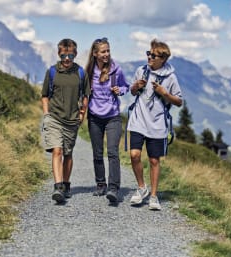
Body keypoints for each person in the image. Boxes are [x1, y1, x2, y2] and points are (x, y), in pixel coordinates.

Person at [127, 39, 183, 210]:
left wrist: (164, 93)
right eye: (148, 53)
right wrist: (136, 86)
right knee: (134, 155)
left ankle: (153, 196)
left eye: (153, 55)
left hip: (157, 124)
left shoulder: (170, 77)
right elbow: (132, 91)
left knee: (154, 160)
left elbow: (179, 101)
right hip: (138, 120)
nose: (149, 57)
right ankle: (142, 188)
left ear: (163, 59)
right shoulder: (140, 71)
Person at [41, 38, 90, 203]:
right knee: (57, 151)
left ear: (75, 54)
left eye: (70, 55)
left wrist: (82, 114)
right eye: (63, 56)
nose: (67, 59)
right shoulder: (52, 72)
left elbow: (86, 96)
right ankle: (58, 186)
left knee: (68, 153)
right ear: (59, 54)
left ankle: (66, 184)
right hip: (54, 118)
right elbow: (45, 96)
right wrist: (47, 115)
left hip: (72, 120)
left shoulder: (81, 73)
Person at [85, 37, 129, 203]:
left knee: (112, 151)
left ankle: (113, 188)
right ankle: (101, 184)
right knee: (97, 153)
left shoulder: (115, 70)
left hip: (113, 117)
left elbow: (126, 86)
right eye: (103, 51)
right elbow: (84, 92)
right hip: (94, 117)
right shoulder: (89, 71)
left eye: (108, 51)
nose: (106, 54)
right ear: (95, 54)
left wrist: (120, 90)